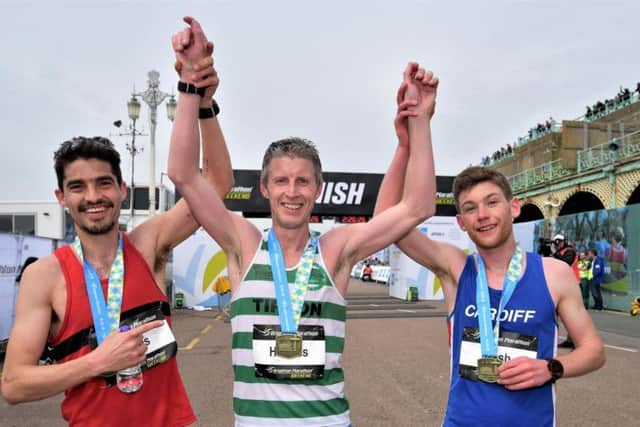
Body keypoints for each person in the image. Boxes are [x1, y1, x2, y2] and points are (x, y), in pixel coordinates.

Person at [168, 16, 438, 426]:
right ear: (264, 188)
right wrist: (190, 83)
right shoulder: (242, 243)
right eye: (281, 181)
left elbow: (417, 206)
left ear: (317, 188)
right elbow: (185, 175)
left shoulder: (337, 249)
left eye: (302, 181)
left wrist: (418, 122)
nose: (291, 192)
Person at [1, 43, 234, 426]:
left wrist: (204, 104)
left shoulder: (148, 244)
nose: (92, 197)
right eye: (78, 187)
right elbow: (14, 384)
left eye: (103, 183)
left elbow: (216, 184)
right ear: (61, 197)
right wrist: (98, 362)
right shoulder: (45, 277)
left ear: (122, 189)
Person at [374, 111, 605, 425]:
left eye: (492, 202)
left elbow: (593, 350)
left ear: (513, 207)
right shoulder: (455, 268)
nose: (482, 214)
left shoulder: (554, 274)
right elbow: (386, 223)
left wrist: (551, 367)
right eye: (470, 208)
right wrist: (407, 143)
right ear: (461, 222)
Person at [551, 234, 579, 348]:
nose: (557, 245)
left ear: (563, 242)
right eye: (555, 243)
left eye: (558, 242)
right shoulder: (559, 253)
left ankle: (575, 340)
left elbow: (566, 263)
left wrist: (554, 254)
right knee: (558, 312)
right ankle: (570, 339)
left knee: (571, 313)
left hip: (572, 284)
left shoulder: (569, 251)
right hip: (560, 283)